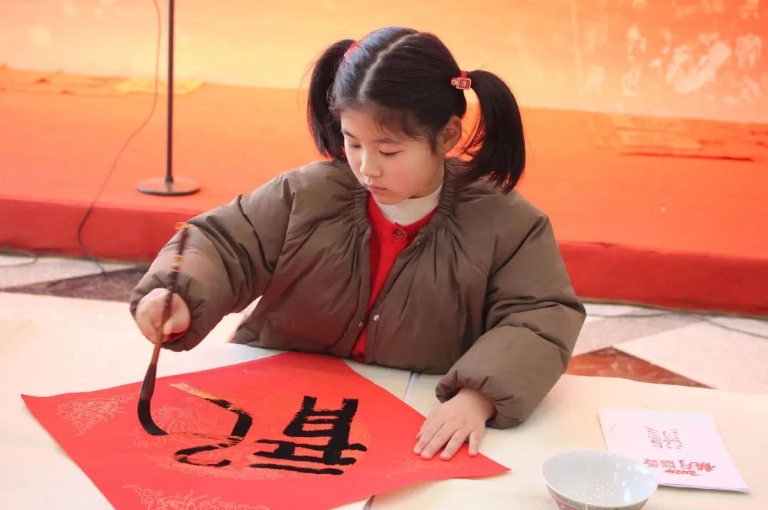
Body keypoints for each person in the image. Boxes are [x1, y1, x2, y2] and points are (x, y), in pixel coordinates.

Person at [130, 26, 586, 463]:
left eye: (389, 151)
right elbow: (223, 242)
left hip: (414, 411)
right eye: (353, 144)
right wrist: (179, 293)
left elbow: (539, 316)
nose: (368, 168)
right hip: (276, 402)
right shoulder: (306, 194)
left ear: (447, 135)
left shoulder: (507, 223)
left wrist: (477, 397)